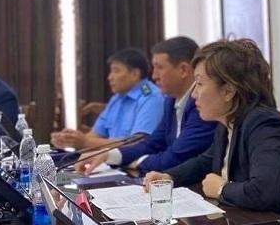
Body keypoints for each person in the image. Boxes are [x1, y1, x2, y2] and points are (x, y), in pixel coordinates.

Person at [144, 39, 280, 225]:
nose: (194, 94)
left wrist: (221, 188)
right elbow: (207, 160)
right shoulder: (229, 121)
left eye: (200, 83)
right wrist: (169, 177)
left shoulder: (264, 124)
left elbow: (263, 192)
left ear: (228, 91)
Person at [74, 36, 217, 175]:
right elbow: (153, 143)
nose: (154, 76)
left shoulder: (198, 103)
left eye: (159, 68)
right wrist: (108, 154)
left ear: (183, 70)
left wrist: (139, 162)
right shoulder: (169, 100)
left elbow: (175, 156)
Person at [53, 48, 165, 152]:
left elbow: (138, 144)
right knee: (52, 163)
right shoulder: (117, 98)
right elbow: (95, 135)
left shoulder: (151, 97)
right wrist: (70, 140)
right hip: (110, 160)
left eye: (116, 71)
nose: (110, 77)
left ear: (135, 74)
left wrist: (85, 142)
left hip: (136, 164)